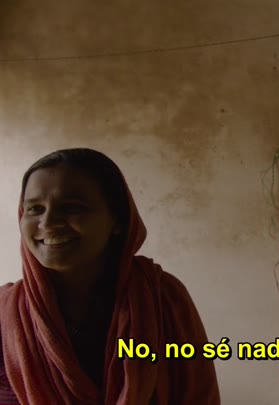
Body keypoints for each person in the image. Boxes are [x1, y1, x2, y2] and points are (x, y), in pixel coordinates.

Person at [0, 148, 220, 404]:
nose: (48, 222)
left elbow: (199, 396)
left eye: (71, 208)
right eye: (35, 209)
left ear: (118, 220)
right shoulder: (6, 314)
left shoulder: (162, 298)